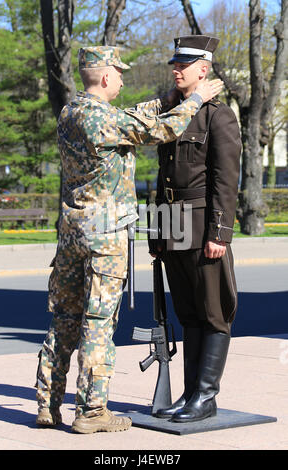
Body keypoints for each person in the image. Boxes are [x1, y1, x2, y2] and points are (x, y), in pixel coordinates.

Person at [35, 45, 223, 434]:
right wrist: (197, 99)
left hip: (71, 233)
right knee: (98, 322)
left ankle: (48, 404)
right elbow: (162, 131)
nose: (122, 79)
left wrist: (165, 100)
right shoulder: (103, 119)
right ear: (106, 78)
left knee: (63, 320)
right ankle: (91, 412)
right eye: (119, 73)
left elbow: (130, 118)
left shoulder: (71, 113)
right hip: (103, 236)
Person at [150, 35, 241, 422]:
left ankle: (206, 396)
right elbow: (162, 176)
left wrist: (219, 234)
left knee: (213, 312)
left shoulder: (217, 115)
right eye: (175, 64)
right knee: (188, 313)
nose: (176, 69)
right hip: (173, 225)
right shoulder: (176, 111)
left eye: (183, 65)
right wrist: (157, 232)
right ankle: (189, 395)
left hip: (203, 223)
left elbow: (225, 179)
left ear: (202, 70)